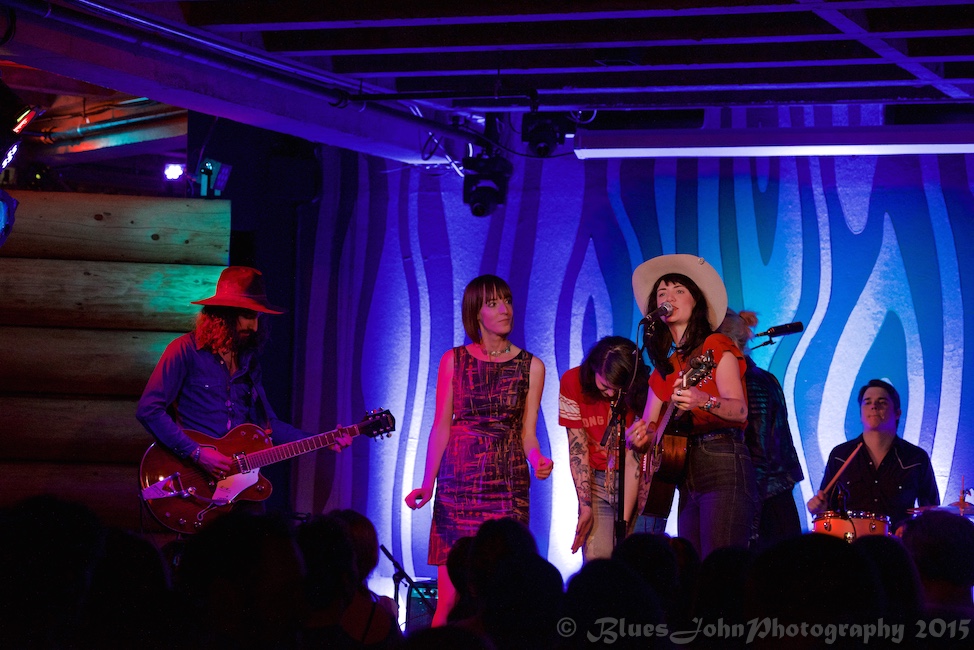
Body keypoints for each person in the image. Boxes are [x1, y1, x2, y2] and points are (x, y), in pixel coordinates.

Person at [404, 274, 553, 627]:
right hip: (458, 483)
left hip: (507, 482)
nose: (504, 309)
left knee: (506, 592)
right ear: (476, 313)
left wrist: (538, 461)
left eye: (507, 300)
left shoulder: (532, 366)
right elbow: (441, 426)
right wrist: (427, 483)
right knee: (449, 600)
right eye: (492, 303)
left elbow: (527, 433)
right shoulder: (453, 360)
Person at [136, 266, 349, 486]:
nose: (255, 326)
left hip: (237, 482)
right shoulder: (184, 350)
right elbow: (148, 410)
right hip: (191, 478)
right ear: (224, 314)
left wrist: (322, 440)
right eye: (248, 316)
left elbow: (267, 425)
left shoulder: (248, 360)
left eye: (257, 317)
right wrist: (197, 453)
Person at [626, 254, 757, 558]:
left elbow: (739, 411)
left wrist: (703, 400)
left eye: (678, 291)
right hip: (683, 472)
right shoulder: (666, 368)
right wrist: (641, 438)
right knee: (695, 570)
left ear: (696, 302)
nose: (667, 297)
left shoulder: (715, 346)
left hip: (722, 460)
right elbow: (650, 428)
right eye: (661, 293)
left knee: (722, 567)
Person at [719, 308, 804, 548]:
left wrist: (750, 523)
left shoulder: (751, 383)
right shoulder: (750, 380)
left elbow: (757, 454)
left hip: (768, 504)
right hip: (767, 499)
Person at [807, 378, 939, 532]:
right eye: (867, 402)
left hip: (897, 548)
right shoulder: (840, 455)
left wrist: (910, 528)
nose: (874, 406)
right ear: (861, 412)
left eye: (882, 402)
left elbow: (931, 512)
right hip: (851, 548)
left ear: (897, 413)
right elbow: (828, 509)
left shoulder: (916, 458)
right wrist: (819, 508)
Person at [558, 335, 648, 561]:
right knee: (599, 562)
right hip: (598, 482)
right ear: (593, 369)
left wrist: (624, 524)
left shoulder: (642, 388)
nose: (610, 395)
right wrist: (585, 506)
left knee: (634, 564)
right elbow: (578, 449)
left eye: (618, 389)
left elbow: (633, 456)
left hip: (637, 482)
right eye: (605, 386)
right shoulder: (572, 382)